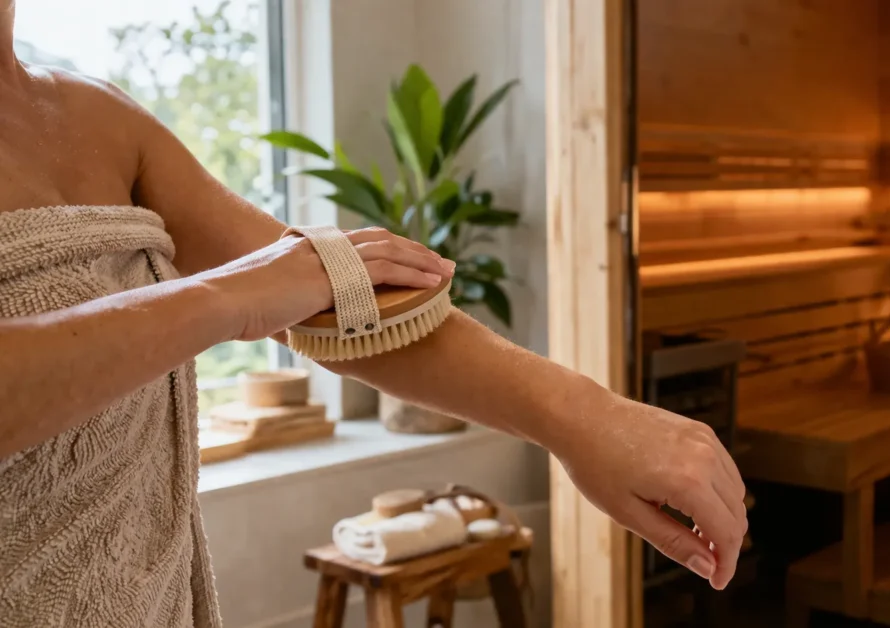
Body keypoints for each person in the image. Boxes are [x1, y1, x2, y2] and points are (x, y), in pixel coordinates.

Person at [0, 1, 747, 625]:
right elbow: (262, 287)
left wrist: (587, 417)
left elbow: (340, 307)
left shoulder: (101, 120)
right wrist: (230, 298)